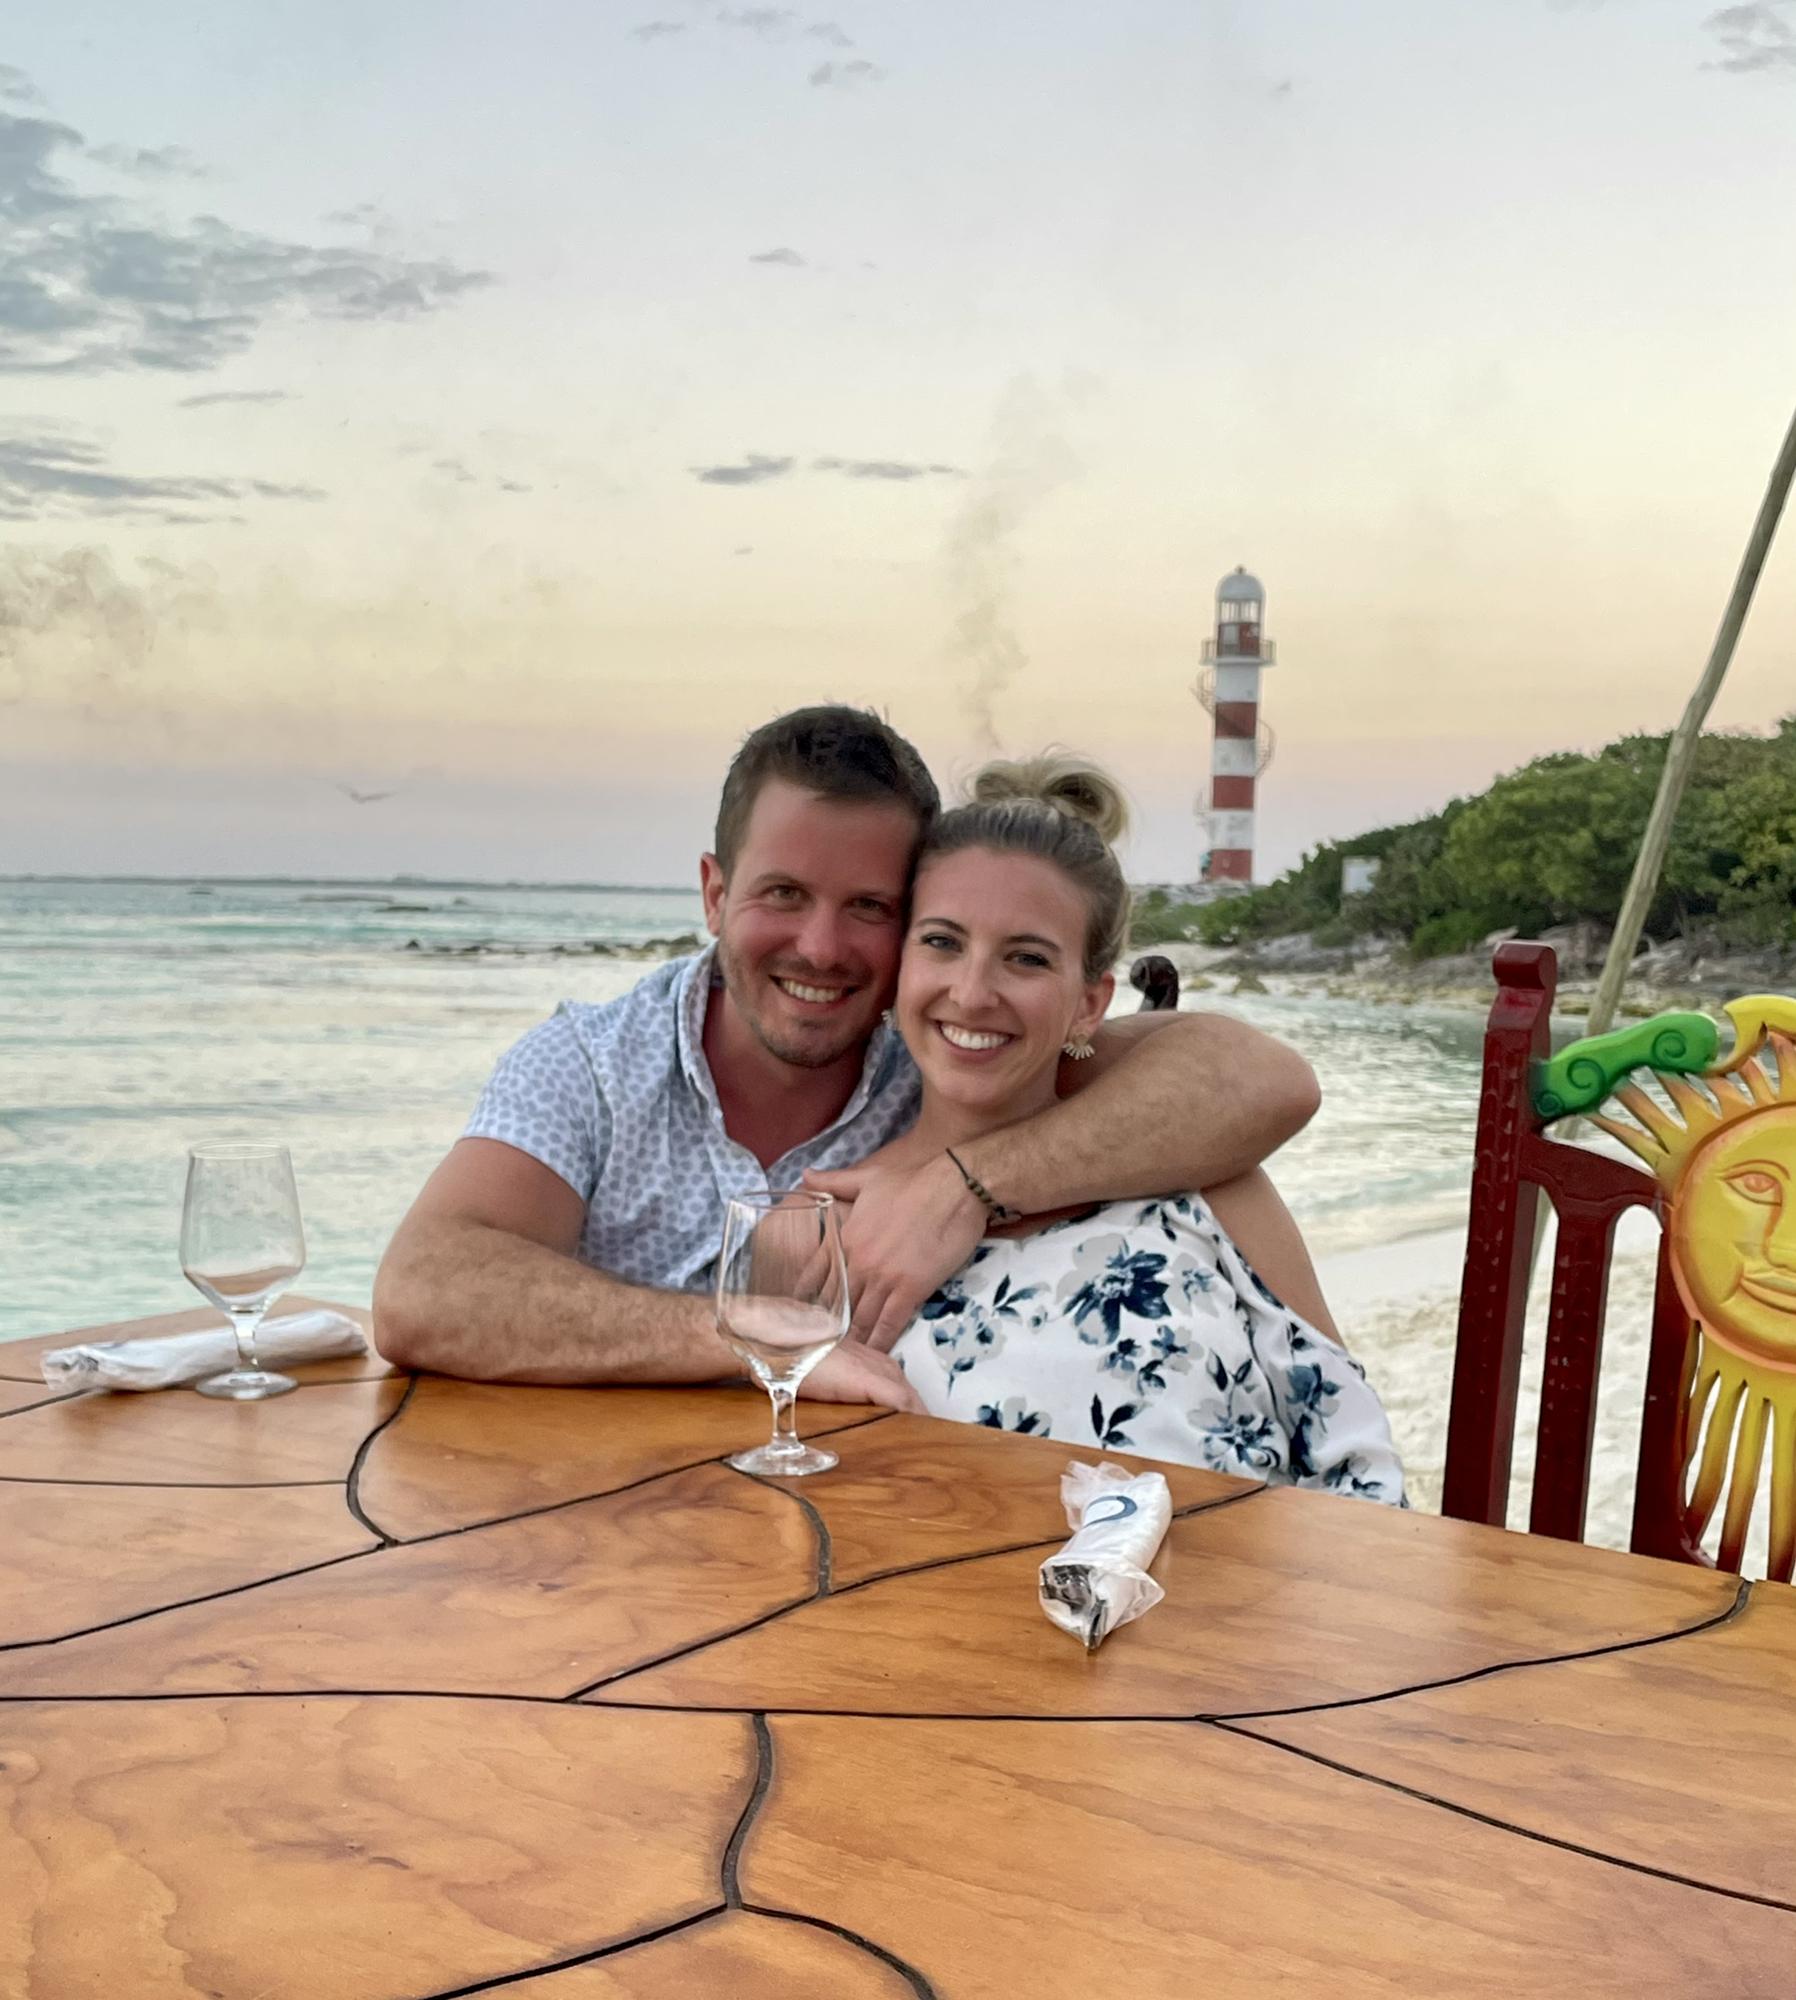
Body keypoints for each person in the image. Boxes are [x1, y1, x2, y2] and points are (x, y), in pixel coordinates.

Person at [373, 706, 1322, 1409]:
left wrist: (964, 1182)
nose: (822, 950)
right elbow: (423, 1290)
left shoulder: (950, 1055)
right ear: (713, 893)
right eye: (782, 893)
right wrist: (750, 1332)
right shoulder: (591, 1065)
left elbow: (1257, 1081)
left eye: (868, 908)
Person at [874, 754, 1404, 1500]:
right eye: (941, 941)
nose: (972, 991)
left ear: (1089, 1004)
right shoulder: (827, 1226)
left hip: (1253, 1602)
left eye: (1026, 958)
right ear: (897, 964)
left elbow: (1353, 1453)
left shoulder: (1212, 1193)